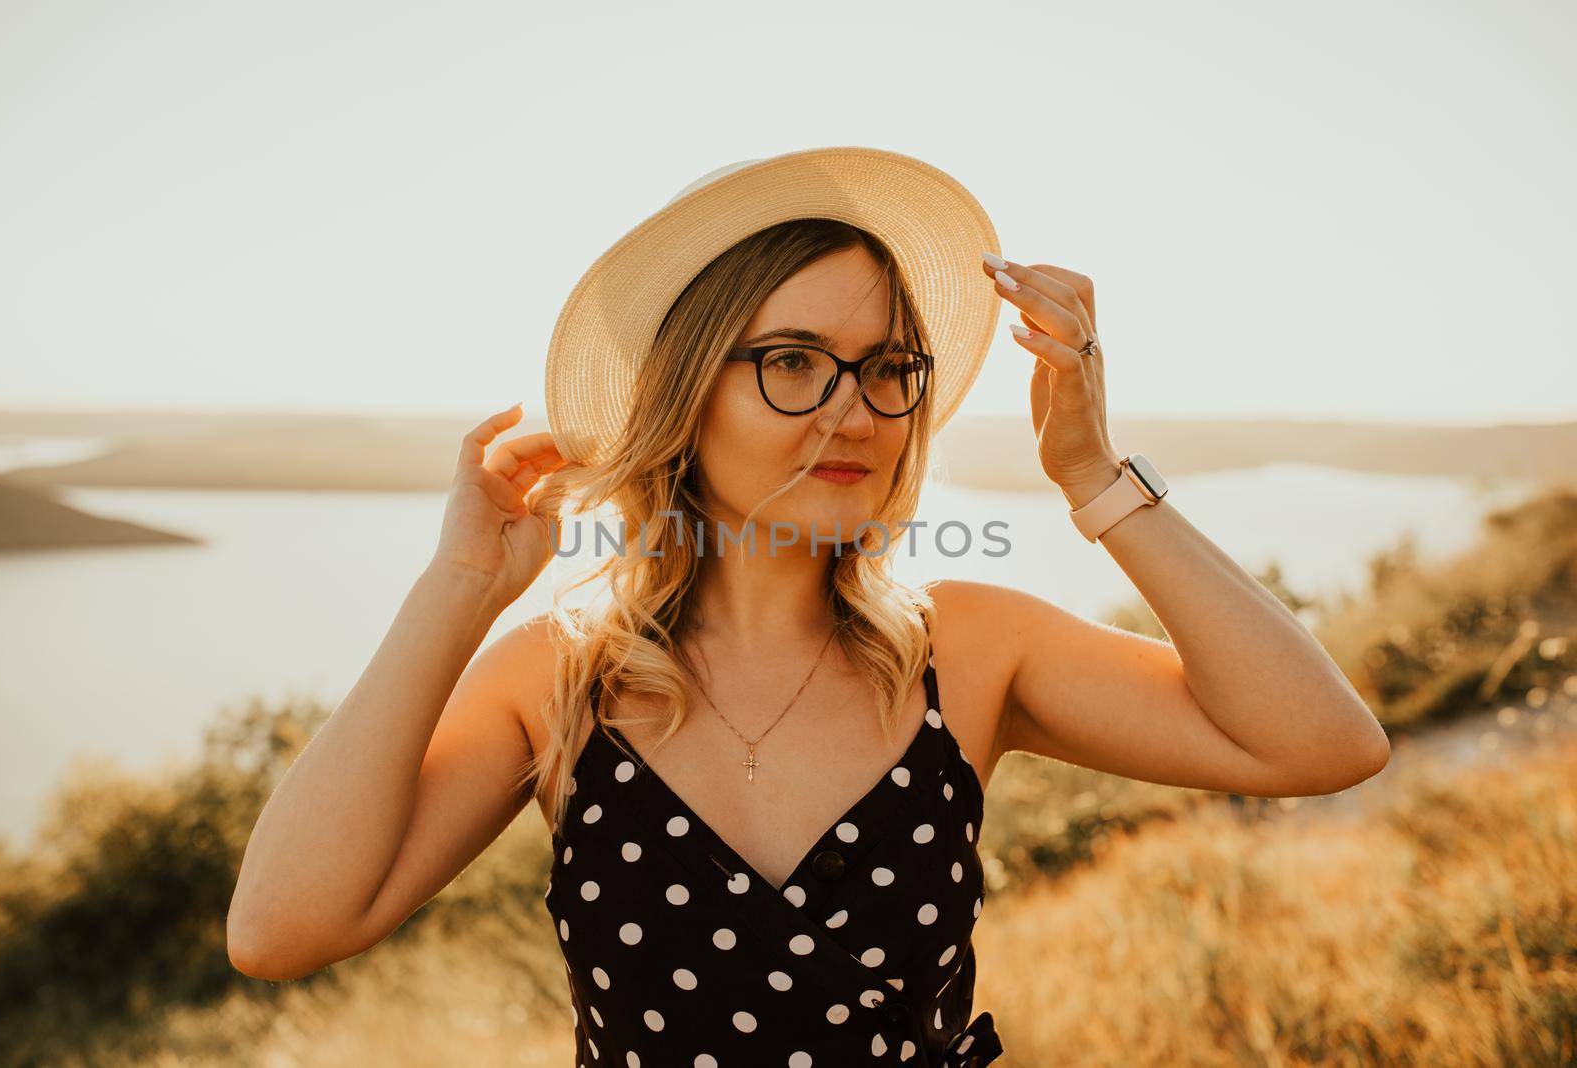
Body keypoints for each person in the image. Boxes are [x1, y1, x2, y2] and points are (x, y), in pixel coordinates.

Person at [226, 148, 1391, 1066]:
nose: (857, 410)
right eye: (794, 360)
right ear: (685, 395)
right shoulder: (560, 680)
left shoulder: (973, 651)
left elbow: (1323, 744)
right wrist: (459, 588)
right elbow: (281, 932)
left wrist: (1094, 477)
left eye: (890, 368)